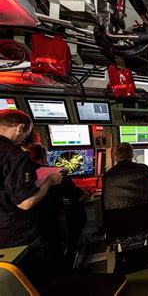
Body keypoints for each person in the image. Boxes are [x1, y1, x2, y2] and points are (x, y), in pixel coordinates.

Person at [0, 109, 63, 286]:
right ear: (20, 128)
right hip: (16, 233)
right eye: (26, 134)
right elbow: (25, 203)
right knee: (35, 278)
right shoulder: (13, 154)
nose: (24, 140)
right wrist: (50, 180)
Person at [21, 143, 88, 266]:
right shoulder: (55, 173)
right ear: (45, 156)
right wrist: (87, 192)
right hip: (55, 227)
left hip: (30, 232)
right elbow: (78, 196)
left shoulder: (20, 176)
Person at [102, 142, 148, 211]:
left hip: (117, 220)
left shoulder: (108, 175)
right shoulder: (144, 169)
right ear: (132, 155)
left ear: (115, 156)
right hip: (145, 218)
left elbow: (104, 199)